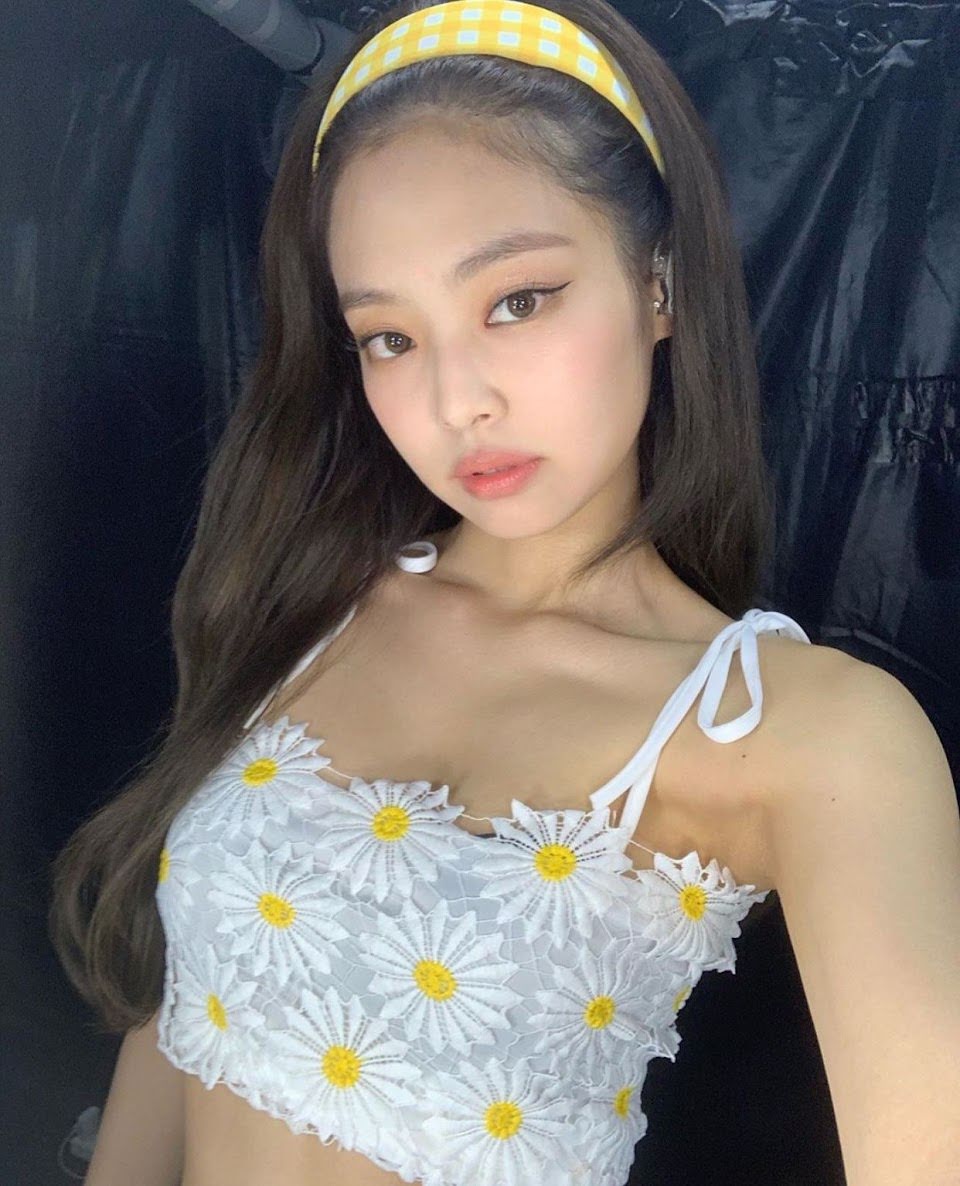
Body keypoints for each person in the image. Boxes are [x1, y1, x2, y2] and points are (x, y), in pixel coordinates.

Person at [48, 0, 960, 1183]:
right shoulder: (310, 603)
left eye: (516, 300)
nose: (456, 401)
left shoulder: (799, 732)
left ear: (661, 284)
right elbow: (184, 1013)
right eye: (389, 337)